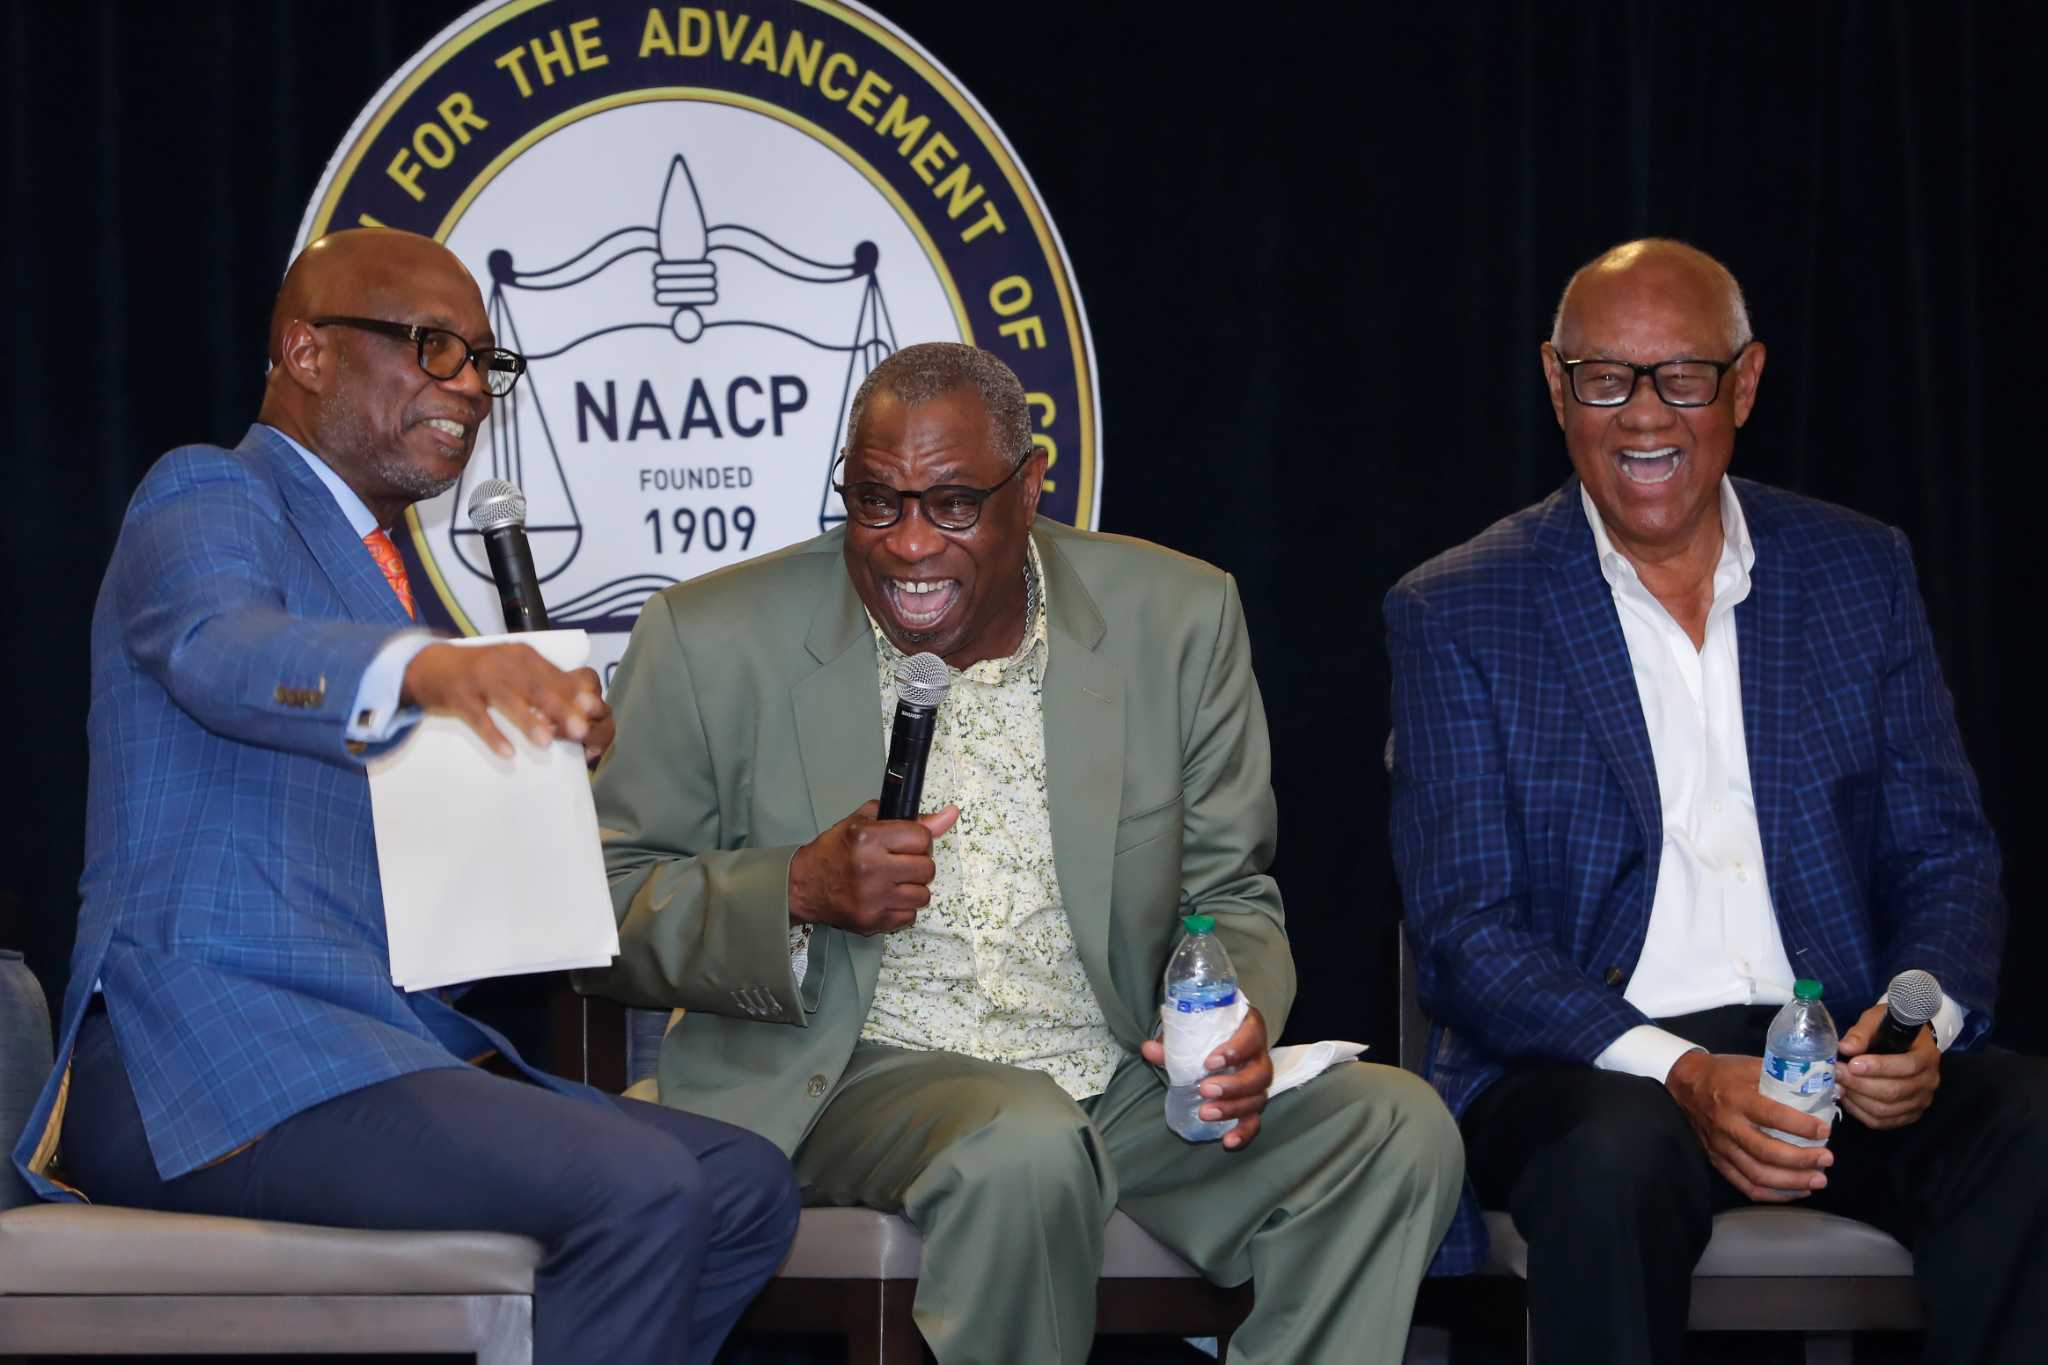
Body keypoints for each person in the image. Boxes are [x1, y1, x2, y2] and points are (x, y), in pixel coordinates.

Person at [579, 341, 1463, 1365]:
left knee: (1394, 1129)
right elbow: (601, 907)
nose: (907, 545)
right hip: (851, 1080)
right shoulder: (712, 636)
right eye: (874, 502)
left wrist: (1232, 1024)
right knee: (1022, 1138)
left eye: (951, 504)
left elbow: (1227, 888)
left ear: (1030, 487)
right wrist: (796, 890)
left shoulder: (1174, 617)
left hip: (1124, 1082)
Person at [10, 229, 799, 1365]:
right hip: (203, 1057)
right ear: (306, 350)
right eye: (432, 348)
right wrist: (438, 672)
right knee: (638, 1188)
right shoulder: (213, 491)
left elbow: (423, 923)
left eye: (484, 360)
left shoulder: (389, 591)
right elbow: (213, 646)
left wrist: (524, 809)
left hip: (373, 1048)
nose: (470, 386)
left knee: (743, 1185)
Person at [1386, 238, 2045, 1364]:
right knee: (1611, 1163)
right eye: (1606, 377)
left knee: (2028, 1124)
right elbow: (1466, 932)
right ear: (1556, 386)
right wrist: (1680, 1071)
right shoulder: (1459, 606)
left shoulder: (1855, 570)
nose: (1644, 416)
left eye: (1681, 376)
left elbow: (1943, 851)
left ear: (1741, 384)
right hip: (1593, 1068)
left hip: (1833, 1047)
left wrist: (1912, 1027)